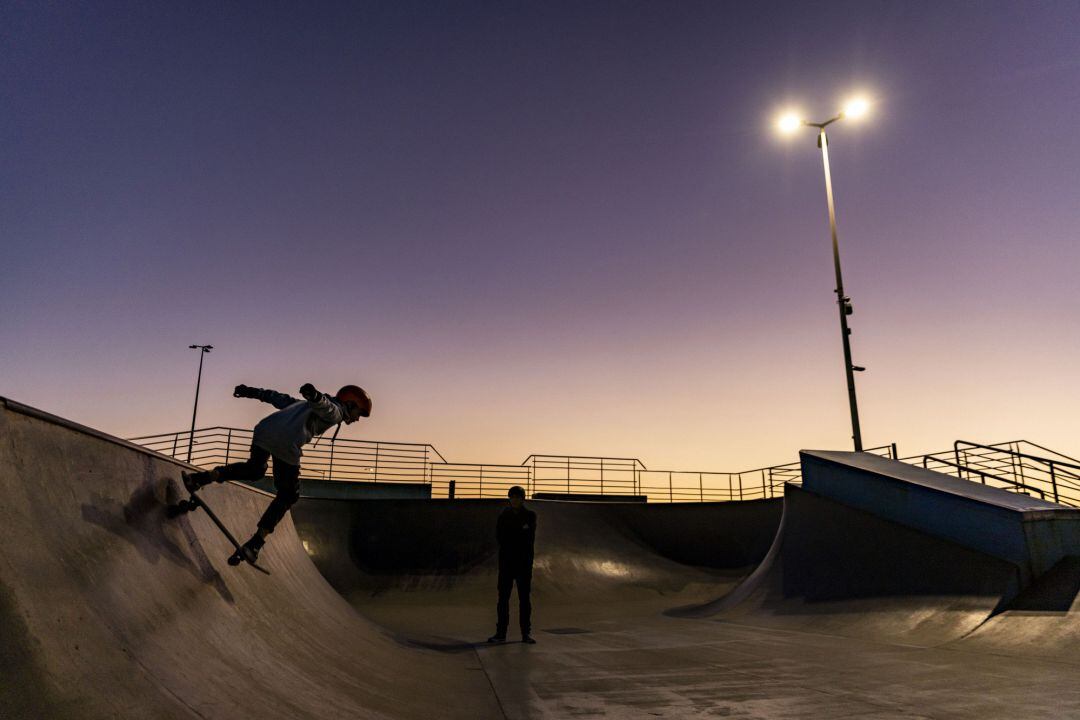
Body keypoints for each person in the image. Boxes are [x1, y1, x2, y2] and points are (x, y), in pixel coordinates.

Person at [182, 382, 372, 564]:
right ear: (349, 404)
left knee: (254, 469)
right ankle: (255, 544)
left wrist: (251, 391)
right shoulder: (336, 412)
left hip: (265, 430)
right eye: (359, 414)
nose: (357, 419)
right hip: (286, 443)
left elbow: (279, 398)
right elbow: (326, 407)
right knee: (288, 495)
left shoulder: (301, 405)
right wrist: (314, 396)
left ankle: (200, 478)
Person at [488, 485, 537, 644]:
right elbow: (501, 538)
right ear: (509, 499)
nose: (514, 500)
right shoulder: (503, 516)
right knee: (503, 599)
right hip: (507, 564)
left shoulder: (530, 516)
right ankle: (501, 633)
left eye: (517, 497)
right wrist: (519, 532)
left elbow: (528, 539)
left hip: (523, 565)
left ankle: (526, 633)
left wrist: (515, 534)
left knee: (524, 599)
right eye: (512, 497)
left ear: (522, 499)